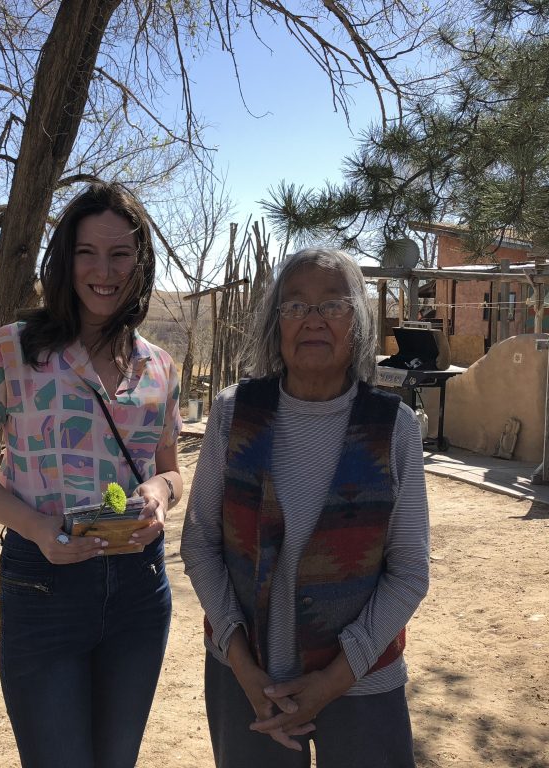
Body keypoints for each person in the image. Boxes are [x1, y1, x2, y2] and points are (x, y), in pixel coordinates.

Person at [0, 181, 183, 768]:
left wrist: (159, 492)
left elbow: (174, 472)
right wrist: (34, 528)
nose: (104, 270)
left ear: (141, 263)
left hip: (137, 592)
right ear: (65, 260)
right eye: (86, 253)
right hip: (42, 590)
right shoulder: (12, 352)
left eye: (120, 254)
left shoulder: (160, 367)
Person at [180, 248, 429, 767]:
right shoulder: (233, 414)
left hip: (363, 682)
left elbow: (408, 572)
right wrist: (244, 666)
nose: (313, 320)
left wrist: (333, 681)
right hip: (247, 681)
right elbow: (200, 543)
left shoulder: (393, 428)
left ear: (357, 321)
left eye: (332, 306)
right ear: (276, 324)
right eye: (295, 307)